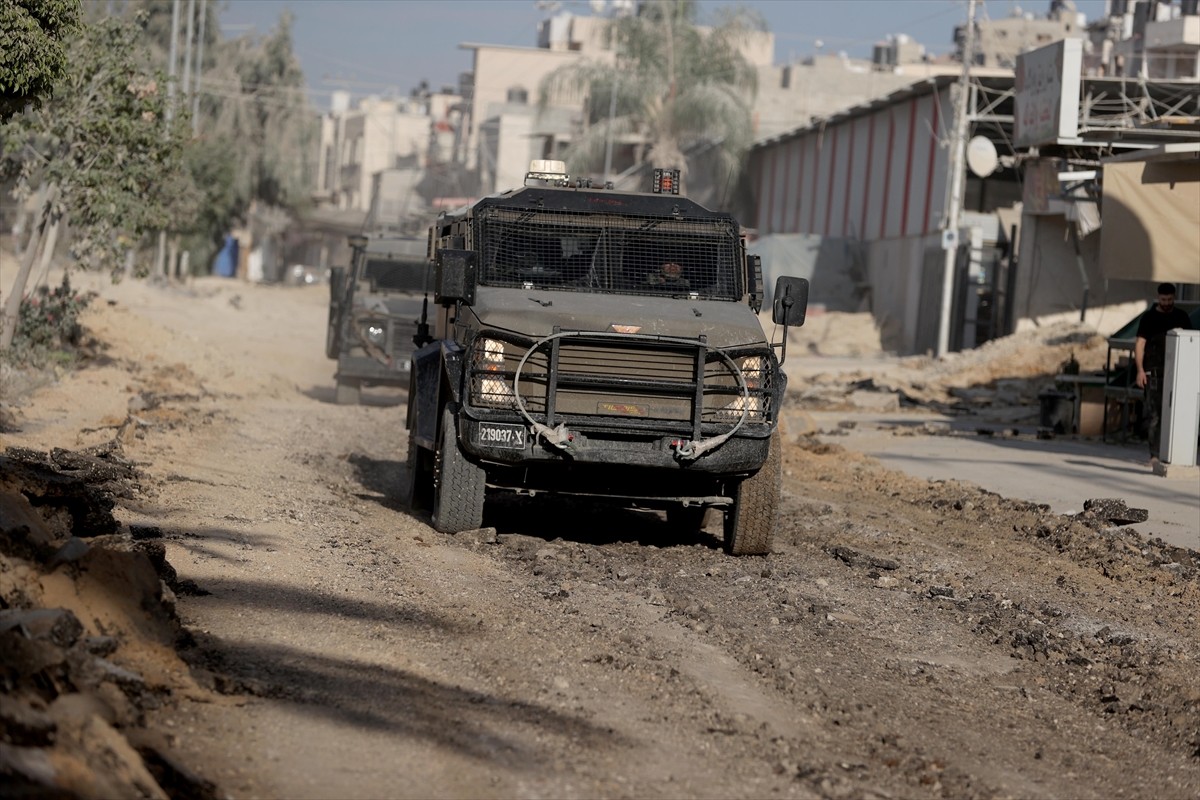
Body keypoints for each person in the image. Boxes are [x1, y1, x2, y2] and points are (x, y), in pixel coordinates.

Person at [1133, 282, 1194, 462]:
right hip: (1154, 372)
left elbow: (1190, 341)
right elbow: (1140, 344)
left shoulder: (1181, 317)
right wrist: (1140, 370)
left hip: (1177, 372)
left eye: (1169, 299)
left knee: (1177, 414)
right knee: (1156, 415)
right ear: (1158, 298)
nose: (1166, 303)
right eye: (1163, 299)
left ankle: (1176, 453)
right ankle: (1155, 455)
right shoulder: (1149, 318)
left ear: (1174, 298)